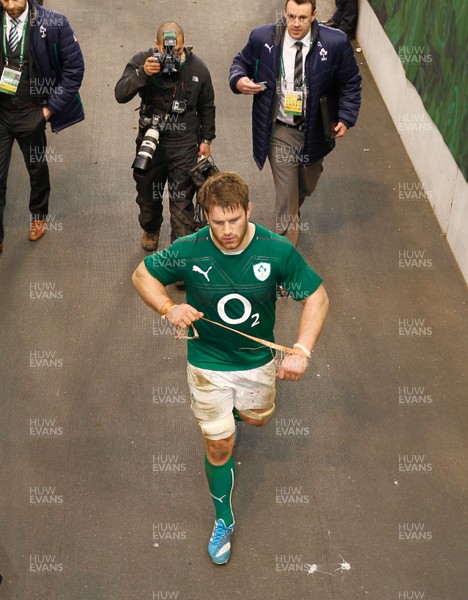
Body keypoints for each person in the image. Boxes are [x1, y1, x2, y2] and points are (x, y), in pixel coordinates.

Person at [132, 171, 329, 565]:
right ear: (205, 216)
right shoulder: (189, 249)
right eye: (217, 221)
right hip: (208, 364)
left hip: (256, 364)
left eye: (234, 219)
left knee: (255, 421)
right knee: (220, 444)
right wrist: (170, 308)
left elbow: (318, 297)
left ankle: (236, 415)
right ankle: (223, 518)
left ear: (249, 211)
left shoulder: (276, 251)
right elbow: (142, 275)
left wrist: (302, 351)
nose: (226, 231)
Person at [229, 0, 361, 246]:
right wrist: (238, 80)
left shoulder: (335, 43)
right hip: (279, 130)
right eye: (291, 17)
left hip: (316, 131)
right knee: (287, 197)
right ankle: (282, 255)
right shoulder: (262, 38)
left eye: (302, 17)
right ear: (285, 14)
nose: (296, 24)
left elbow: (351, 82)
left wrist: (346, 116)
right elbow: (239, 63)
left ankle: (293, 209)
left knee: (307, 185)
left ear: (314, 16)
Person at [115, 21, 215, 252]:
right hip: (152, 142)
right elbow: (120, 94)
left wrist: (206, 140)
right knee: (148, 199)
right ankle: (151, 228)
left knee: (182, 206)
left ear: (184, 45)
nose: (172, 55)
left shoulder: (198, 68)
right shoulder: (143, 61)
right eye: (167, 49)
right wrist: (142, 74)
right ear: (156, 45)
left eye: (178, 50)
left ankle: (179, 259)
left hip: (185, 145)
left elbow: (207, 106)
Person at [0, 0, 84, 253]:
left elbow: (74, 70)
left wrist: (48, 110)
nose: (10, 5)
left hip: (32, 112)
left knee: (36, 169)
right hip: (2, 113)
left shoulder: (54, 22)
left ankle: (38, 214)